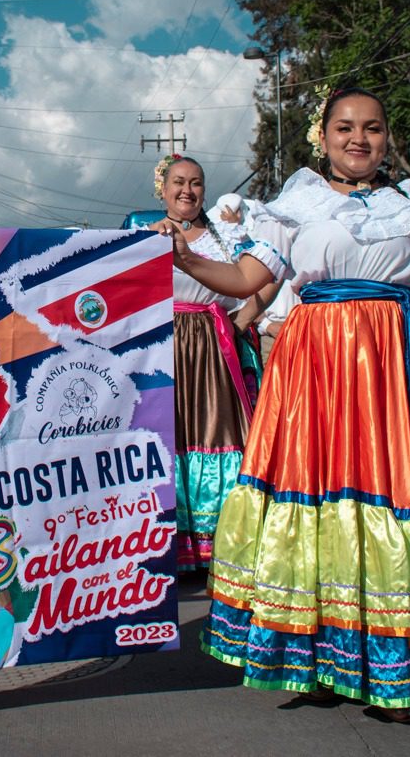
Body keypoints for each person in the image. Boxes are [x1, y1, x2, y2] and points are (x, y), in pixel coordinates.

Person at [176, 88, 410, 722]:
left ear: (387, 137)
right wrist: (190, 260)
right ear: (323, 137)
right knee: (318, 503)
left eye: (373, 128)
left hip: (388, 359)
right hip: (314, 363)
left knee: (389, 496)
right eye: (344, 128)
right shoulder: (294, 202)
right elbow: (251, 280)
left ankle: (396, 670)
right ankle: (322, 658)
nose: (358, 139)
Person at [142, 154, 280, 572]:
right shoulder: (143, 234)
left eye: (197, 182)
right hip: (163, 347)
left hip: (214, 346)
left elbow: (267, 277)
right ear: (162, 189)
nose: (187, 190)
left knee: (220, 433)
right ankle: (173, 544)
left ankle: (224, 541)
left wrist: (242, 320)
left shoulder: (227, 236)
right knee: (169, 435)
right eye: (178, 182)